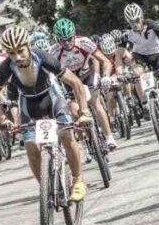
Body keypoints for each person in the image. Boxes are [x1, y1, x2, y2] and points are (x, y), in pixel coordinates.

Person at [0, 27, 90, 202]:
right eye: (11, 53)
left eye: (20, 51)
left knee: (66, 136)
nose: (17, 57)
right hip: (29, 104)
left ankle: (78, 181)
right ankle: (45, 188)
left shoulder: (43, 57)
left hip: (52, 98)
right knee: (31, 146)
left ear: (28, 46)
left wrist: (84, 112)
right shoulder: (6, 68)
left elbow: (76, 83)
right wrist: (3, 119)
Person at [49, 17, 117, 150]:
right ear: (57, 39)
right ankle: (85, 143)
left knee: (96, 104)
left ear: (74, 35)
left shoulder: (84, 42)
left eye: (70, 38)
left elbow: (105, 61)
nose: (67, 43)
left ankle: (109, 138)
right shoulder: (54, 51)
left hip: (86, 75)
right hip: (69, 80)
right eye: (63, 40)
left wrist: (105, 76)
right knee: (74, 111)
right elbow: (50, 74)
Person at [116, 4, 159, 134]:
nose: (135, 24)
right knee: (137, 74)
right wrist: (120, 74)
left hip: (157, 55)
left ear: (142, 17)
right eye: (132, 22)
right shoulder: (126, 34)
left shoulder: (152, 25)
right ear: (128, 22)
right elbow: (118, 57)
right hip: (139, 57)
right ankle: (145, 103)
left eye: (137, 20)